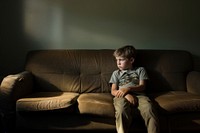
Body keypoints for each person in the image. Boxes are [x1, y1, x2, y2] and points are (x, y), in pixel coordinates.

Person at [109, 45, 159, 133]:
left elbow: (143, 86)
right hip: (121, 96)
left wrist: (128, 89)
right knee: (121, 110)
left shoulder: (140, 70)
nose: (118, 63)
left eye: (121, 60)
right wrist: (126, 94)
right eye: (117, 60)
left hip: (140, 95)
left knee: (149, 109)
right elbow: (113, 91)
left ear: (131, 60)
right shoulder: (116, 73)